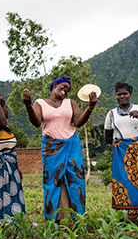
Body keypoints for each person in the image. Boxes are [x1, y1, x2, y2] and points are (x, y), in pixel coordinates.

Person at [23, 76, 97, 220]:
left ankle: (78, 218)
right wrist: (28, 106)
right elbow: (36, 123)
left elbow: (78, 123)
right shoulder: (40, 103)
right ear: (55, 85)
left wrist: (90, 108)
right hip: (52, 146)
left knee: (77, 179)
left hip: (72, 144)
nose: (65, 91)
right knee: (52, 180)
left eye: (67, 90)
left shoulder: (70, 103)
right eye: (63, 87)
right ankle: (52, 220)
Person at [104, 82, 138, 219]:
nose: (122, 96)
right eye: (118, 94)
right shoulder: (111, 114)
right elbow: (107, 137)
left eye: (125, 93)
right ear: (115, 96)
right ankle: (121, 216)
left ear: (130, 94)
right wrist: (121, 146)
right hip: (120, 155)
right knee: (121, 184)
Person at [0, 92, 25, 223]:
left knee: (14, 192)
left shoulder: (7, 129)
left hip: (11, 164)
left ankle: (15, 221)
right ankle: (0, 222)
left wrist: (17, 168)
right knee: (0, 193)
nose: (7, 110)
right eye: (5, 107)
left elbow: (12, 149)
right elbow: (1, 122)